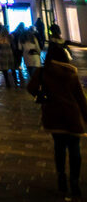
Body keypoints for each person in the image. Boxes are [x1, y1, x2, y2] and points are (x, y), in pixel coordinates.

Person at [28, 39, 87, 198]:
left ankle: (61, 177)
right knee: (74, 149)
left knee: (59, 147)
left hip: (53, 115)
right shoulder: (71, 72)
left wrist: (42, 97)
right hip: (72, 116)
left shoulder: (43, 71)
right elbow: (80, 98)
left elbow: (31, 87)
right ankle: (74, 182)